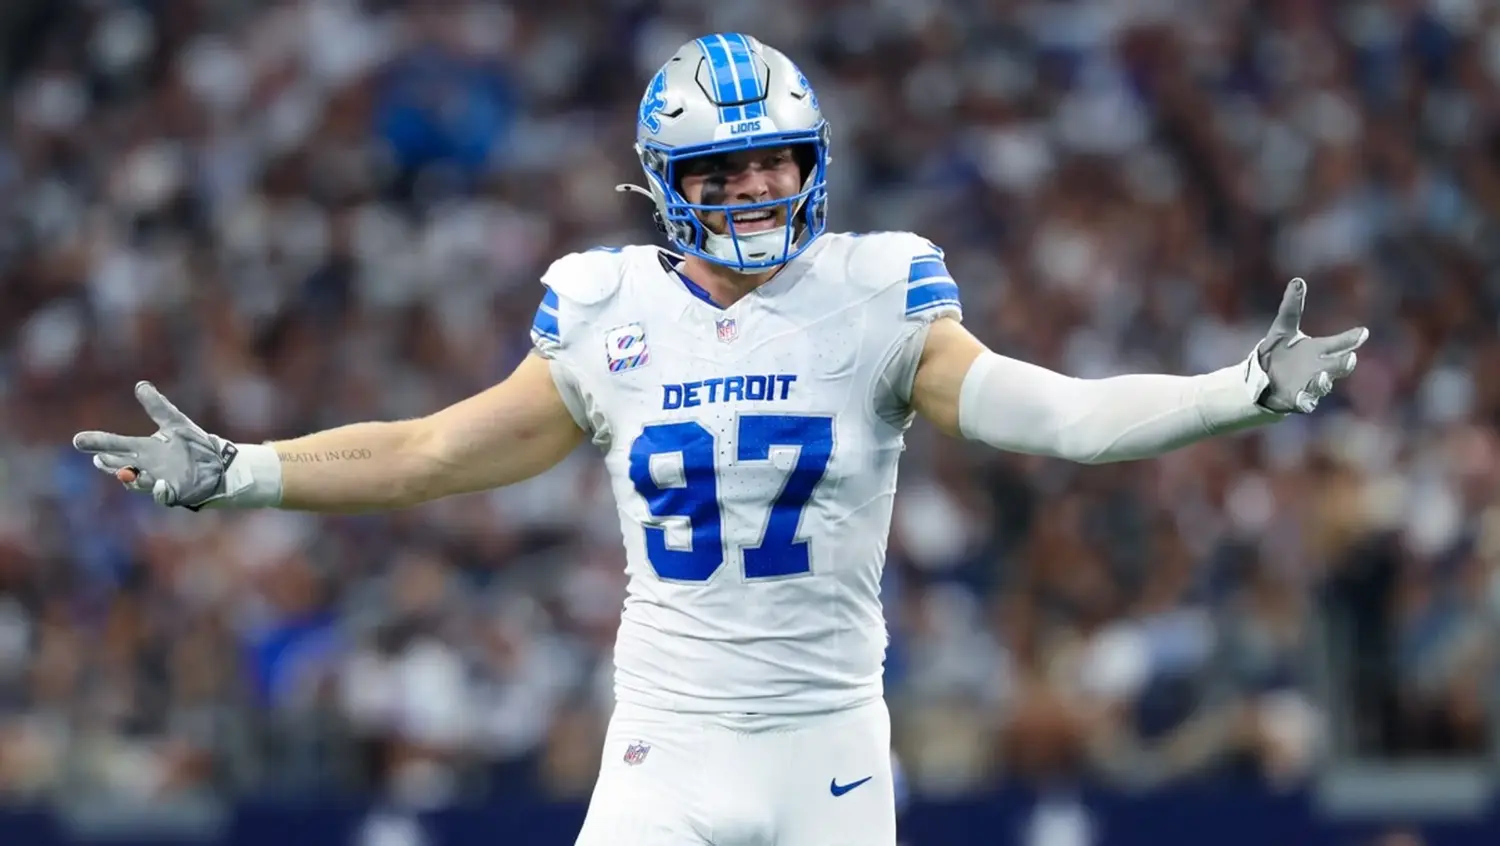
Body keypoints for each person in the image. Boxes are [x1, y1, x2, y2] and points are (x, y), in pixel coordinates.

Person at [73, 33, 1367, 846]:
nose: (754, 190)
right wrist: (243, 471)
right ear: (664, 182)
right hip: (665, 747)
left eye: (774, 163)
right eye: (723, 171)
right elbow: (426, 450)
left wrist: (1235, 387)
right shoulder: (605, 308)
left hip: (829, 750)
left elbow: (1064, 418)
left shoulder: (881, 293)